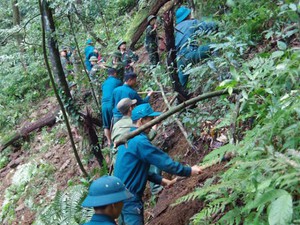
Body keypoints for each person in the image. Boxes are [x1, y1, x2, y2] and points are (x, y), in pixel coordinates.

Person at [114, 103, 203, 225]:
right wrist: (189, 171)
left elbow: (138, 169)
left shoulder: (128, 138)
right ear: (141, 121)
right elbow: (165, 163)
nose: (152, 124)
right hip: (130, 199)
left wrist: (161, 181)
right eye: (150, 120)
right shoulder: (139, 141)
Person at [175, 6, 218, 87]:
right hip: (191, 53)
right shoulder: (192, 23)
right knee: (214, 46)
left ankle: (180, 98)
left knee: (181, 85)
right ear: (187, 15)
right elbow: (209, 26)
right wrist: (219, 24)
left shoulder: (175, 29)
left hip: (179, 59)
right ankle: (219, 73)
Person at [101, 68, 123, 147]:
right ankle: (117, 141)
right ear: (114, 73)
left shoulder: (104, 83)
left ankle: (109, 142)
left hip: (104, 105)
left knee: (106, 125)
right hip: (112, 104)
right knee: (116, 122)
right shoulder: (118, 82)